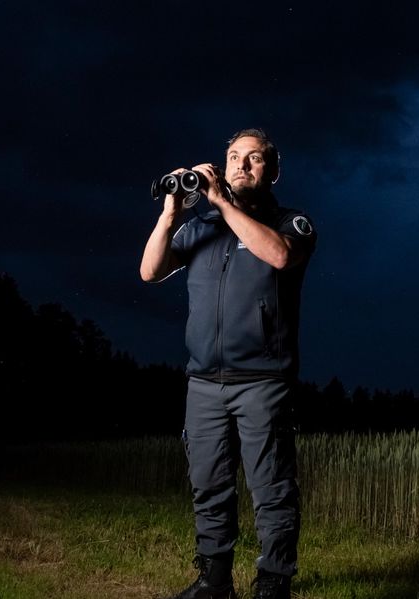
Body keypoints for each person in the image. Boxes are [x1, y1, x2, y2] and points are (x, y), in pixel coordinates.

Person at [140, 128, 317, 599]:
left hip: (263, 380)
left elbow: (279, 256)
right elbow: (150, 271)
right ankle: (214, 580)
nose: (240, 165)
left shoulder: (291, 222)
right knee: (209, 484)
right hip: (203, 381)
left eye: (253, 158)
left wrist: (222, 202)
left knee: (271, 486)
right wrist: (171, 212)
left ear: (273, 170)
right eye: (233, 156)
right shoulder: (199, 230)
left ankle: (273, 582)